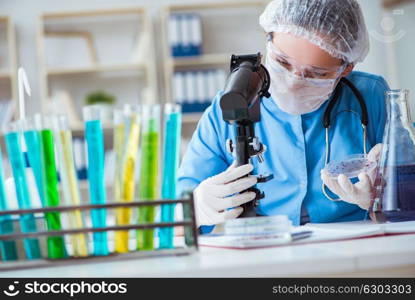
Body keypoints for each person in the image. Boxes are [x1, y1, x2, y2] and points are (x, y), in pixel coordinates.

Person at [177, 0, 389, 234]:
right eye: (282, 62)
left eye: (316, 73)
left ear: (346, 68)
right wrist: (195, 208)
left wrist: (385, 196)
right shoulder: (231, 107)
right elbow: (170, 225)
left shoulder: (372, 97)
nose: (293, 82)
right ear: (268, 41)